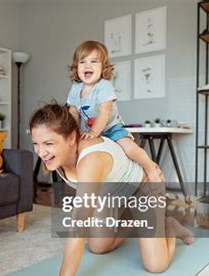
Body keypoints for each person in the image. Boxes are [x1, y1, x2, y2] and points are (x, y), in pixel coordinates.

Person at [24, 103, 194, 276]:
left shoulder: (90, 161)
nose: (41, 152)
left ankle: (169, 225)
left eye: (48, 143)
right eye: (36, 144)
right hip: (112, 198)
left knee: (156, 266)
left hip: (141, 189)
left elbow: (78, 229)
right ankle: (138, 224)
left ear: (71, 138)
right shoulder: (58, 157)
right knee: (98, 247)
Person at [66, 40, 163, 182]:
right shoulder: (75, 89)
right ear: (76, 67)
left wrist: (94, 132)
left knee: (129, 148)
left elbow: (104, 112)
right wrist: (73, 133)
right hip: (87, 131)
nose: (88, 65)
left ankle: (150, 167)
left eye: (94, 61)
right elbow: (73, 113)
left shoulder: (104, 87)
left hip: (111, 128)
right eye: (82, 62)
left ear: (103, 67)